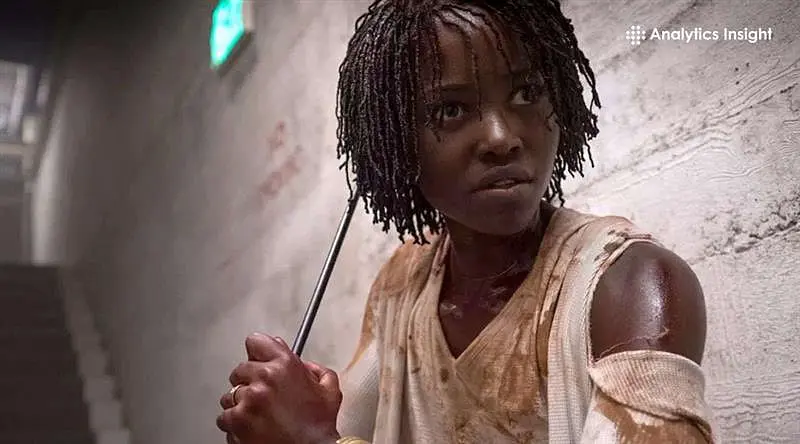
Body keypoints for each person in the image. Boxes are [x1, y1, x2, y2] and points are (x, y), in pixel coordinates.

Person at [216, 1, 715, 443]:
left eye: (526, 93)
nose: (501, 137)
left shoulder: (635, 288)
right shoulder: (403, 287)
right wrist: (278, 416)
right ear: (397, 146)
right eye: (451, 109)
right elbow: (343, 420)